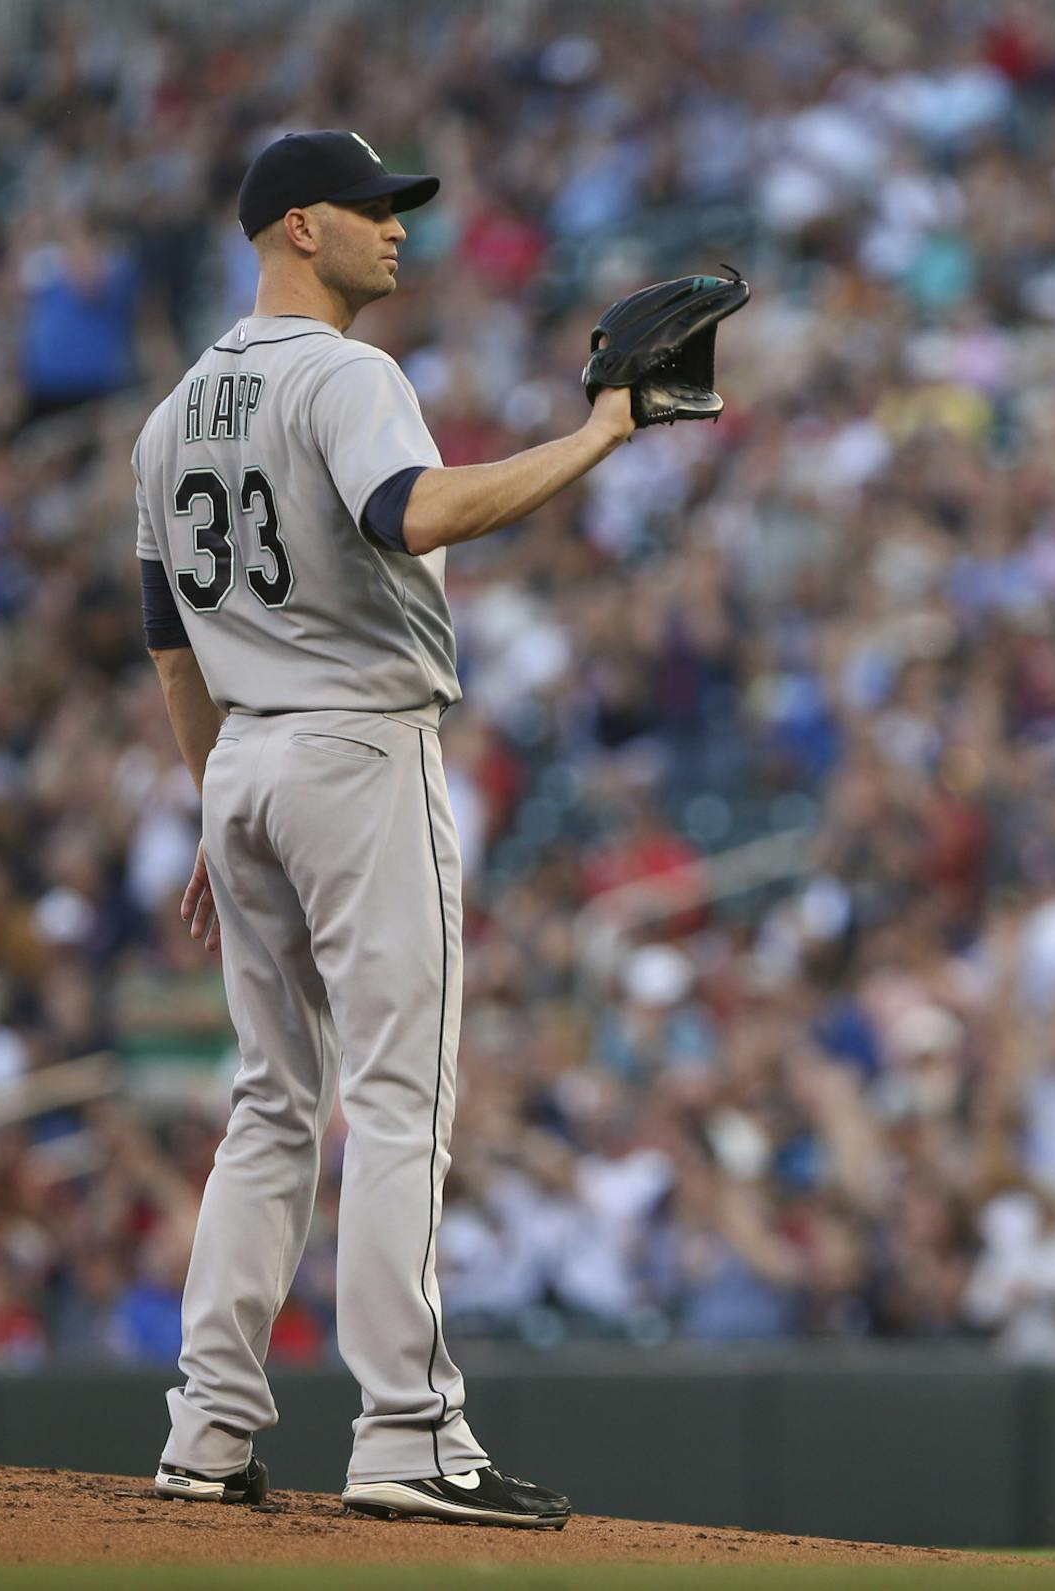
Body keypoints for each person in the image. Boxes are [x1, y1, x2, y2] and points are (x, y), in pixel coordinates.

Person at [134, 129, 640, 1528]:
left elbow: (171, 642)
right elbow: (413, 513)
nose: (397, 229)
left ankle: (208, 1420)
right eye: (373, 208)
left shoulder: (173, 410)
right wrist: (597, 434)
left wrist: (213, 798)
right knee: (399, 1095)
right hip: (357, 743)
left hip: (242, 759)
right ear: (301, 228)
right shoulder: (349, 373)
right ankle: (408, 1430)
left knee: (269, 1103)